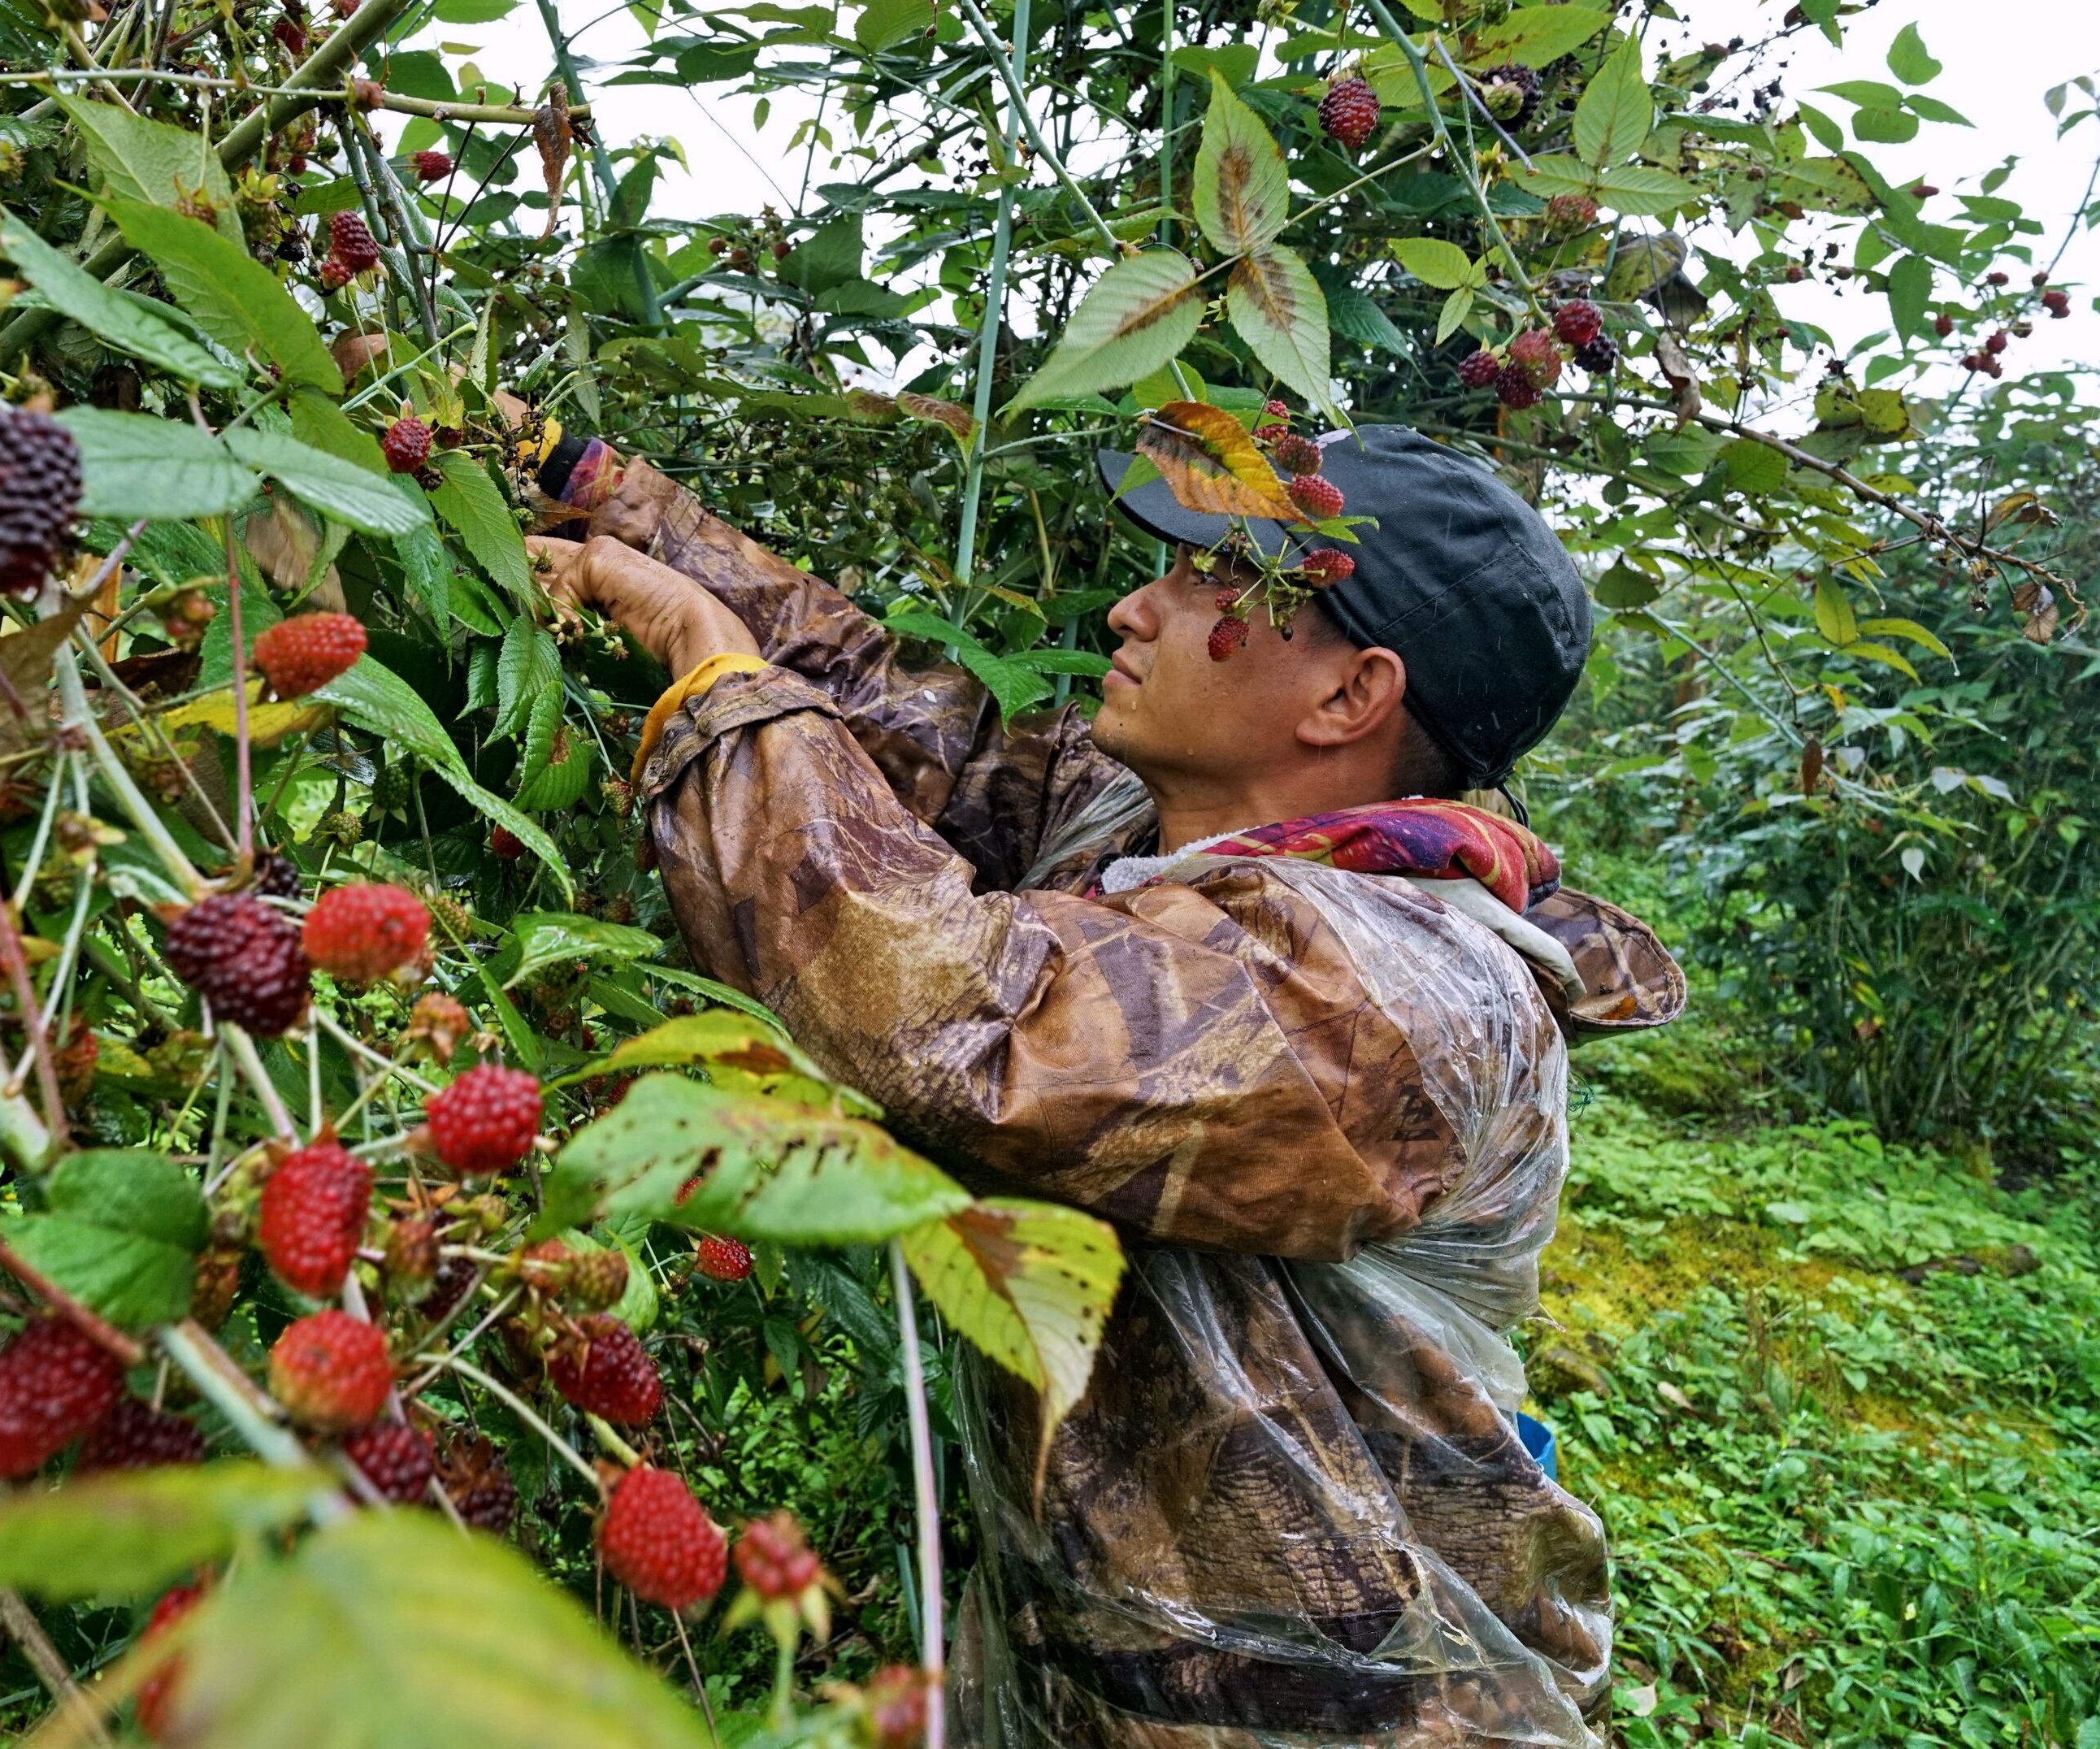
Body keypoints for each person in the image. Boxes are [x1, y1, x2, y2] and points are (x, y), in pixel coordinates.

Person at [523, 419, 1685, 1748]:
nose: (1135, 604)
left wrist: (701, 663)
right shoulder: (1141, 835)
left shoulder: (1396, 992)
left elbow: (955, 1017)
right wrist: (602, 494)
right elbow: (895, 723)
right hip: (1102, 1673)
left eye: (1211, 583)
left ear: (1347, 698)